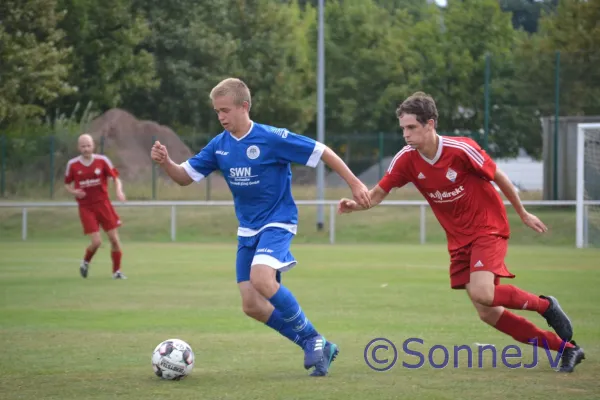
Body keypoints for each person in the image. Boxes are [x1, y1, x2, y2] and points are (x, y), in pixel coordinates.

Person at [337, 91, 585, 373]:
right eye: (403, 128)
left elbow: (500, 177)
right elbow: (379, 192)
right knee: (487, 312)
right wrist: (356, 206)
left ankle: (545, 306)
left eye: (411, 128)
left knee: (483, 292)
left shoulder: (461, 149)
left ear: (430, 124)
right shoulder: (406, 159)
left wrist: (523, 213)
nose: (405, 134)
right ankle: (567, 349)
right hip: (458, 240)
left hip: (487, 227)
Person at [151, 78, 370, 377]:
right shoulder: (219, 145)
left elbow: (322, 152)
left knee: (262, 279)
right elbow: (183, 177)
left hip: (278, 222)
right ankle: (316, 342)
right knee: (252, 305)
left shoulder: (272, 138)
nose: (221, 117)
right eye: (217, 112)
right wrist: (165, 163)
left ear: (244, 106)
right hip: (247, 230)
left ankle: (313, 338)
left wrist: (355, 183)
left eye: (225, 110)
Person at [64, 133, 127, 279]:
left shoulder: (102, 161)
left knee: (114, 240)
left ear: (93, 146)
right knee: (97, 242)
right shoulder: (72, 164)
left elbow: (115, 178)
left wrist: (118, 190)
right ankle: (85, 262)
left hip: (103, 205)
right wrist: (74, 191)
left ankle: (116, 272)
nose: (86, 149)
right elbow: (67, 184)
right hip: (86, 207)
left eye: (88, 145)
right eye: (83, 146)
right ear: (78, 147)